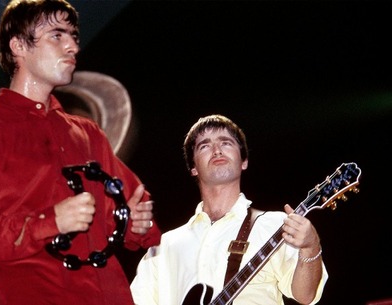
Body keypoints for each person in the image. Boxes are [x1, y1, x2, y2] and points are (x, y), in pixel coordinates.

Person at [0, 1, 161, 304]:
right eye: (57, 36)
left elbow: (134, 208)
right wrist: (49, 222)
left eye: (73, 36)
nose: (73, 46)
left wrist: (137, 224)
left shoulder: (87, 133)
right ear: (18, 45)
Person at [130, 114, 328, 305]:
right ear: (193, 168)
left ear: (244, 161)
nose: (217, 150)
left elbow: (306, 296)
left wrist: (311, 246)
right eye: (205, 146)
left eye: (226, 143)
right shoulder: (163, 246)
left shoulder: (276, 226)